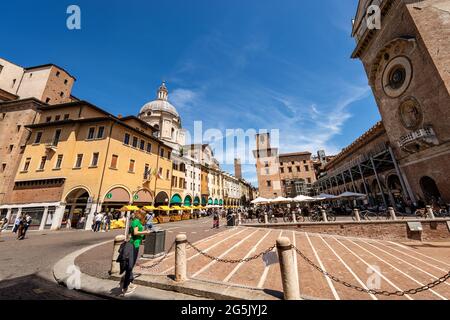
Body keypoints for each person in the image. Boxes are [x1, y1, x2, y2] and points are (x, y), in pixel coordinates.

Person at [121, 210, 151, 296]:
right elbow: (135, 232)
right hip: (133, 245)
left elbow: (136, 234)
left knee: (131, 265)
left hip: (136, 245)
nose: (145, 217)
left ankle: (129, 282)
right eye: (144, 215)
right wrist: (145, 232)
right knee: (130, 266)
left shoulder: (137, 221)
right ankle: (125, 288)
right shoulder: (136, 221)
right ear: (141, 215)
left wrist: (142, 239)